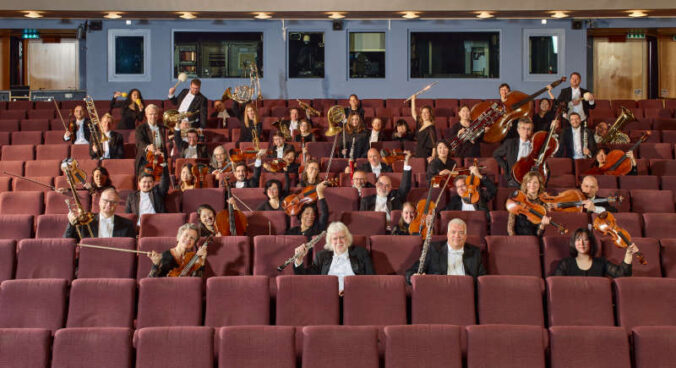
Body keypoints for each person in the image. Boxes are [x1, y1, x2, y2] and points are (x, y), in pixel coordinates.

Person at [293, 221, 374, 292]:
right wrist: (298, 261)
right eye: (335, 238)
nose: (339, 241)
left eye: (342, 237)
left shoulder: (361, 253)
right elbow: (305, 278)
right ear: (330, 241)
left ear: (347, 238)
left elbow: (371, 279)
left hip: (354, 296)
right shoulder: (322, 256)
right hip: (328, 298)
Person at [405, 218, 487, 284]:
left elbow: (482, 279)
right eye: (453, 232)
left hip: (466, 295)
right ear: (447, 235)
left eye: (461, 233)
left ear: (465, 236)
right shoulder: (433, 249)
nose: (457, 236)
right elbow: (412, 271)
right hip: (440, 294)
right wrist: (412, 277)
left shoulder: (475, 252)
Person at [553, 227, 637, 277]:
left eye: (585, 240)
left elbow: (622, 274)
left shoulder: (601, 263)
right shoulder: (565, 264)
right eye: (578, 240)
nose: (581, 243)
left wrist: (629, 254)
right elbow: (558, 285)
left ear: (591, 242)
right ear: (573, 243)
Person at [64, 187, 136, 241]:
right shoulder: (85, 221)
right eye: (105, 201)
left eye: (113, 202)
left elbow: (130, 249)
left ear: (117, 204)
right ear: (99, 202)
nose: (109, 204)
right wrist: (71, 225)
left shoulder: (127, 225)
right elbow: (67, 242)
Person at [359, 151, 412, 220]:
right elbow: (361, 220)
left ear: (390, 188)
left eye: (387, 186)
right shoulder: (366, 201)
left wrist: (406, 162)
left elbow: (405, 186)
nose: (383, 188)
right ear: (376, 185)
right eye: (381, 184)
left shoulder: (396, 198)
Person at [493, 117, 535, 187]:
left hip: (530, 180)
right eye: (523, 128)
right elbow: (496, 154)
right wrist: (506, 167)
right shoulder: (510, 143)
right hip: (514, 179)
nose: (526, 131)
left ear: (531, 131)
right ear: (518, 130)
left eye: (528, 129)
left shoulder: (535, 144)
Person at [507, 171, 551, 236]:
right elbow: (510, 227)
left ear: (540, 184)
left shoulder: (543, 205)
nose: (532, 185)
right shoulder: (518, 199)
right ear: (525, 184)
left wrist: (542, 225)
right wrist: (515, 241)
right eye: (529, 182)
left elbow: (538, 234)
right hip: (517, 239)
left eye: (535, 182)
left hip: (534, 240)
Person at [135, 104, 168, 176]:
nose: (153, 117)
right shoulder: (140, 128)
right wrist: (148, 147)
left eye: (155, 114)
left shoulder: (163, 128)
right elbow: (140, 143)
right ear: (146, 115)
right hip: (145, 160)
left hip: (161, 160)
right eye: (150, 114)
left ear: (158, 115)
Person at [411, 95, 437, 161]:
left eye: (426, 112)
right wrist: (413, 100)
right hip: (418, 152)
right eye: (422, 112)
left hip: (425, 154)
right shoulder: (420, 124)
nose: (424, 114)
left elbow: (434, 144)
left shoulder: (431, 128)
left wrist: (433, 156)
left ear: (430, 114)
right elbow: (413, 113)